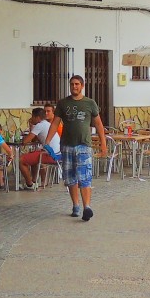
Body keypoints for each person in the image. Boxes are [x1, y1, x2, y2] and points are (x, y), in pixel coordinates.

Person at [46, 75, 107, 221]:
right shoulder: (63, 103)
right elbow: (55, 123)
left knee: (85, 176)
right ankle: (76, 205)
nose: (74, 86)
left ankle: (87, 207)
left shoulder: (90, 103)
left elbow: (98, 124)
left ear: (82, 86)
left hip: (84, 145)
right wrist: (47, 141)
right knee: (71, 177)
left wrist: (103, 143)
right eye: (72, 84)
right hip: (67, 145)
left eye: (77, 84)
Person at [20, 107, 60, 190]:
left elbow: (26, 141)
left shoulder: (40, 125)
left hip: (50, 155)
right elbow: (34, 139)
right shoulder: (47, 124)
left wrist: (31, 125)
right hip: (58, 154)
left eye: (32, 116)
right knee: (33, 156)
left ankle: (29, 184)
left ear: (37, 117)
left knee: (21, 160)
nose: (31, 118)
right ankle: (34, 181)